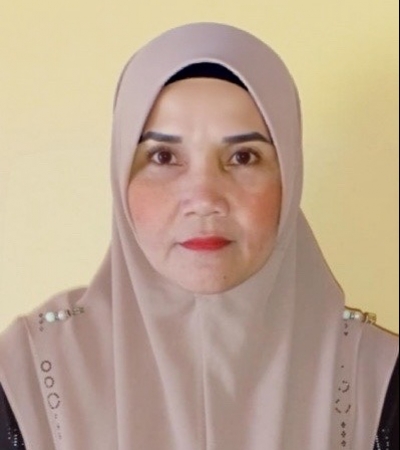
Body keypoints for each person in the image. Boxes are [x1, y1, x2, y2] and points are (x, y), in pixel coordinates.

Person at [0, 23, 398, 450]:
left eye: (243, 157)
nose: (205, 199)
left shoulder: (375, 379)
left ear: (289, 177)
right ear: (120, 178)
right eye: (163, 156)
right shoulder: (27, 378)